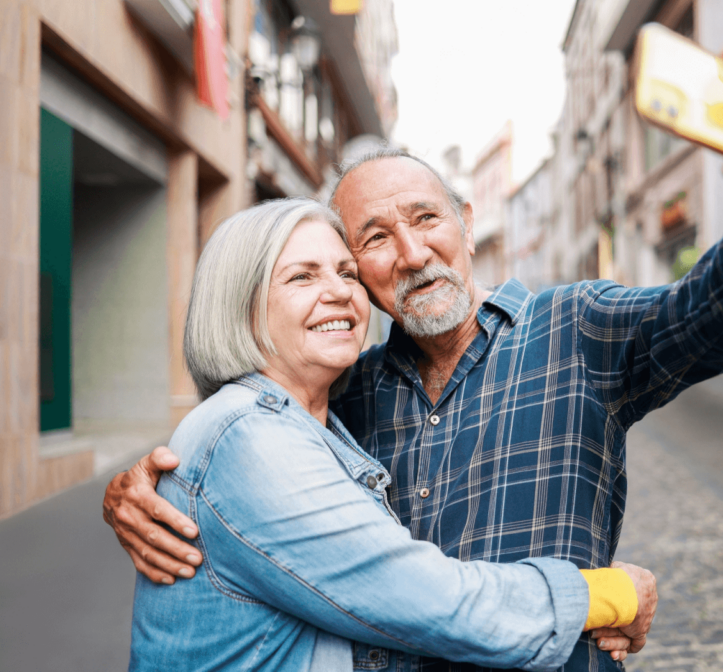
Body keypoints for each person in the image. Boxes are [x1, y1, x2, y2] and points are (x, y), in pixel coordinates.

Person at [104, 44, 723, 670]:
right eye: (371, 240)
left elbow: (712, 314)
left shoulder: (576, 330)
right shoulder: (347, 395)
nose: (410, 252)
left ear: (466, 226)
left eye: (426, 218)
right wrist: (151, 487)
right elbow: (253, 468)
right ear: (362, 271)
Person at [128, 197, 656, 671]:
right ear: (239, 305)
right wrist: (612, 594)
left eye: (345, 272)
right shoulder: (249, 438)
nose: (339, 293)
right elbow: (428, 602)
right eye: (302, 277)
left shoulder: (314, 422)